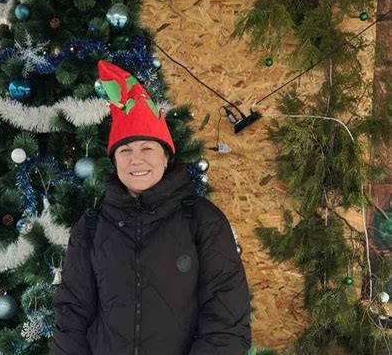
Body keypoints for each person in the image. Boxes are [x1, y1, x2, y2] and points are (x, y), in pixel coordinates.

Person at [52, 60, 252, 355]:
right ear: (114, 160)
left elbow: (227, 320)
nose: (136, 159)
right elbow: (72, 316)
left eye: (147, 148)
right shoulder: (91, 227)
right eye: (125, 150)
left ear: (166, 156)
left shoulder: (202, 220)